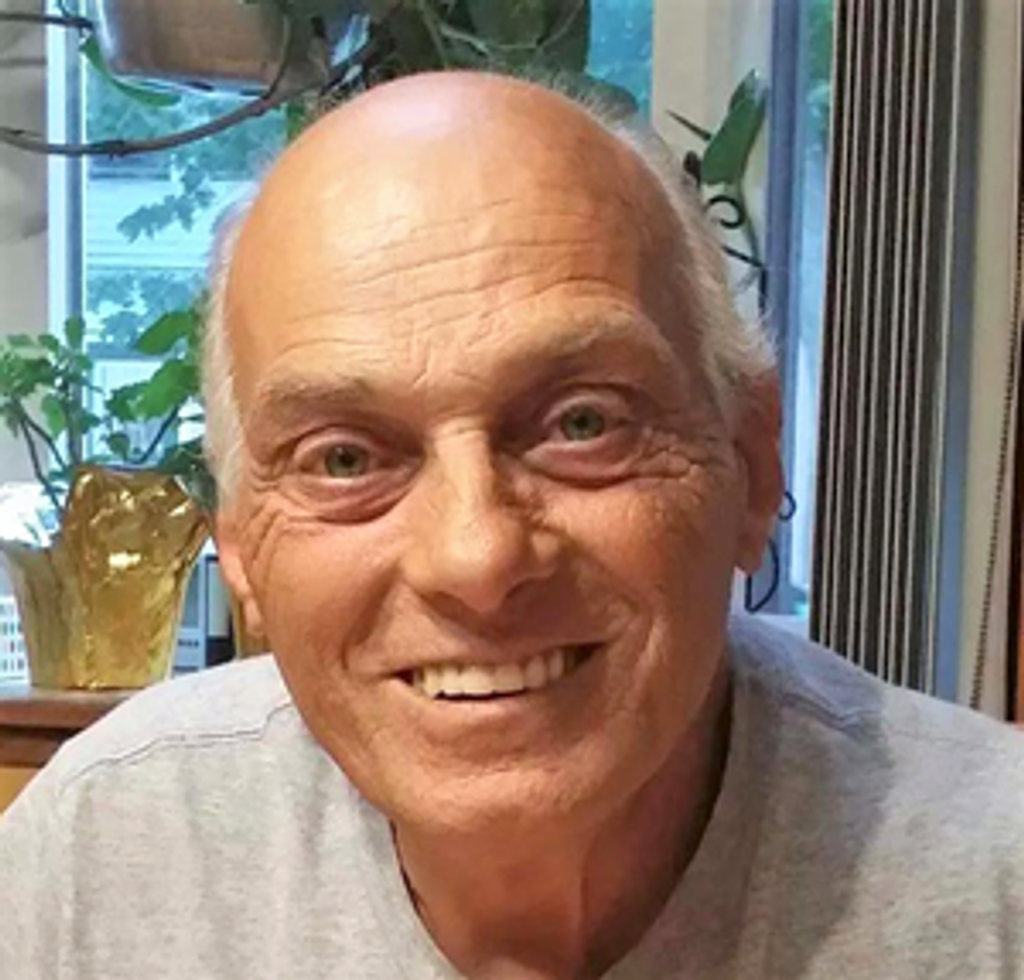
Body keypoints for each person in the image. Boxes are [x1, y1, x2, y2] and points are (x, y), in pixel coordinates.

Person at [2, 72, 1022, 980]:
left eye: (583, 424)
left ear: (752, 468)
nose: (477, 556)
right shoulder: (103, 855)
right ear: (241, 550)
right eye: (345, 459)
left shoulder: (992, 880)